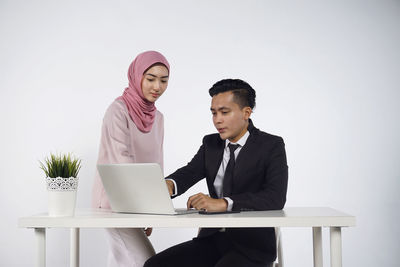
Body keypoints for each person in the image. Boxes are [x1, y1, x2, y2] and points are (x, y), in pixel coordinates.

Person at [144, 79, 288, 267]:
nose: (217, 120)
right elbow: (189, 172)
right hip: (211, 241)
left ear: (246, 113)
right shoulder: (211, 144)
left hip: (252, 247)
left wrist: (223, 203)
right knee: (155, 265)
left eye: (224, 112)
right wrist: (169, 185)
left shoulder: (271, 146)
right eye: (214, 113)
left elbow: (275, 197)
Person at [92, 51, 170, 267]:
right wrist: (145, 207)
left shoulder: (158, 118)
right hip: (113, 202)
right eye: (151, 79)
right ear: (137, 77)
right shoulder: (117, 111)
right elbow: (122, 159)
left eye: (164, 80)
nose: (157, 87)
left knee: (121, 260)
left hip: (138, 202)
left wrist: (153, 209)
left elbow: (157, 164)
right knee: (147, 260)